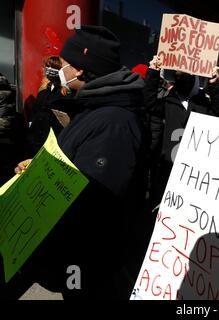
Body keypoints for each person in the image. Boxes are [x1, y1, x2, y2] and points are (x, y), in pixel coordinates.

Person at [11, 25, 150, 299]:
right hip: (80, 256)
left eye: (63, 63)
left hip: (91, 261)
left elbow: (94, 201)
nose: (59, 69)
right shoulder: (96, 107)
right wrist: (39, 167)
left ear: (80, 70)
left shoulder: (114, 122)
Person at [143, 55, 219, 209]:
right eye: (177, 75)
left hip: (192, 172)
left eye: (184, 75)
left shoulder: (202, 103)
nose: (180, 78)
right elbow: (149, 103)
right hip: (167, 167)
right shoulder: (170, 101)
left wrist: (214, 84)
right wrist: (153, 71)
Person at [26, 56, 73, 155]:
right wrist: (31, 126)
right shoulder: (44, 90)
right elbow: (35, 111)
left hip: (54, 142)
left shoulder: (67, 93)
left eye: (52, 67)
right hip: (36, 140)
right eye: (46, 67)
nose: (48, 70)